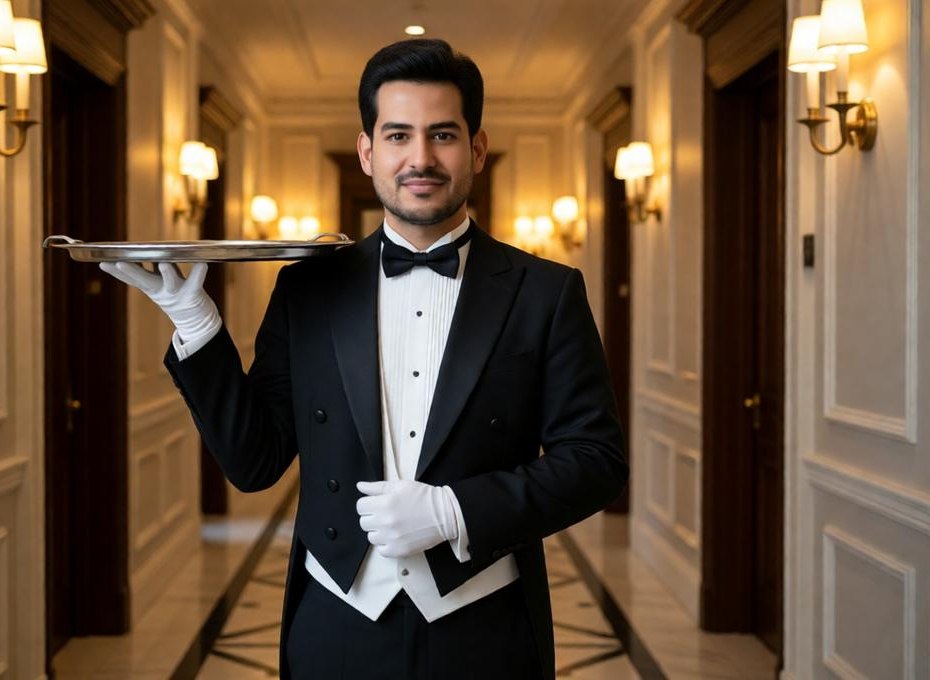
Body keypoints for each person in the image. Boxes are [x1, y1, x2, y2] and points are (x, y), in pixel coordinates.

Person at [101, 38, 627, 680]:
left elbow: (596, 462)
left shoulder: (546, 292)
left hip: (485, 624)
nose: (421, 158)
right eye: (399, 135)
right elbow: (256, 461)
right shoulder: (308, 286)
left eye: (443, 135)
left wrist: (454, 510)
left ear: (477, 149)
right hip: (334, 622)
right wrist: (197, 324)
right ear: (368, 151)